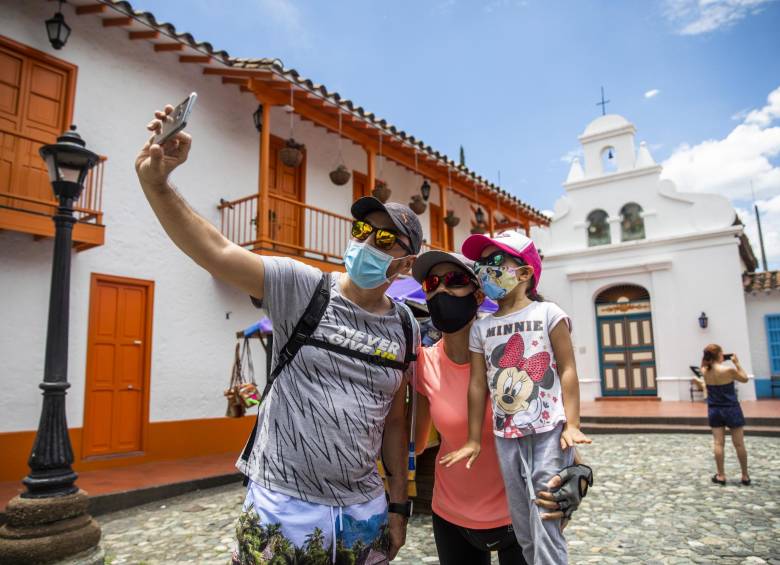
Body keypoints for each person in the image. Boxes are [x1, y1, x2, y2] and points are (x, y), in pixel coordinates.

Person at [136, 105, 422, 564]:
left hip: (363, 514)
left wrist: (397, 505)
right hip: (282, 506)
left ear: (406, 263)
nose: (368, 243)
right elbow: (216, 251)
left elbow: (394, 420)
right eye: (363, 231)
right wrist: (157, 184)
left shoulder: (406, 326)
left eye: (385, 240)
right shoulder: (303, 288)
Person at [413, 250, 592, 565]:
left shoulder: (515, 356)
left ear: (479, 293)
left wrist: (577, 480)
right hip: (450, 515)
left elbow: (554, 427)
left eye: (454, 280)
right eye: (432, 282)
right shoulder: (422, 364)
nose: (441, 290)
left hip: (516, 514)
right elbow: (415, 441)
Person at [700, 344, 751, 486]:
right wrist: (737, 363)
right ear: (719, 355)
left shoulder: (704, 371)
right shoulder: (728, 370)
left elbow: (703, 365)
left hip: (715, 409)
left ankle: (721, 475)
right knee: (739, 444)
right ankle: (745, 476)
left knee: (718, 443)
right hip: (731, 409)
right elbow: (745, 378)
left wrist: (706, 358)